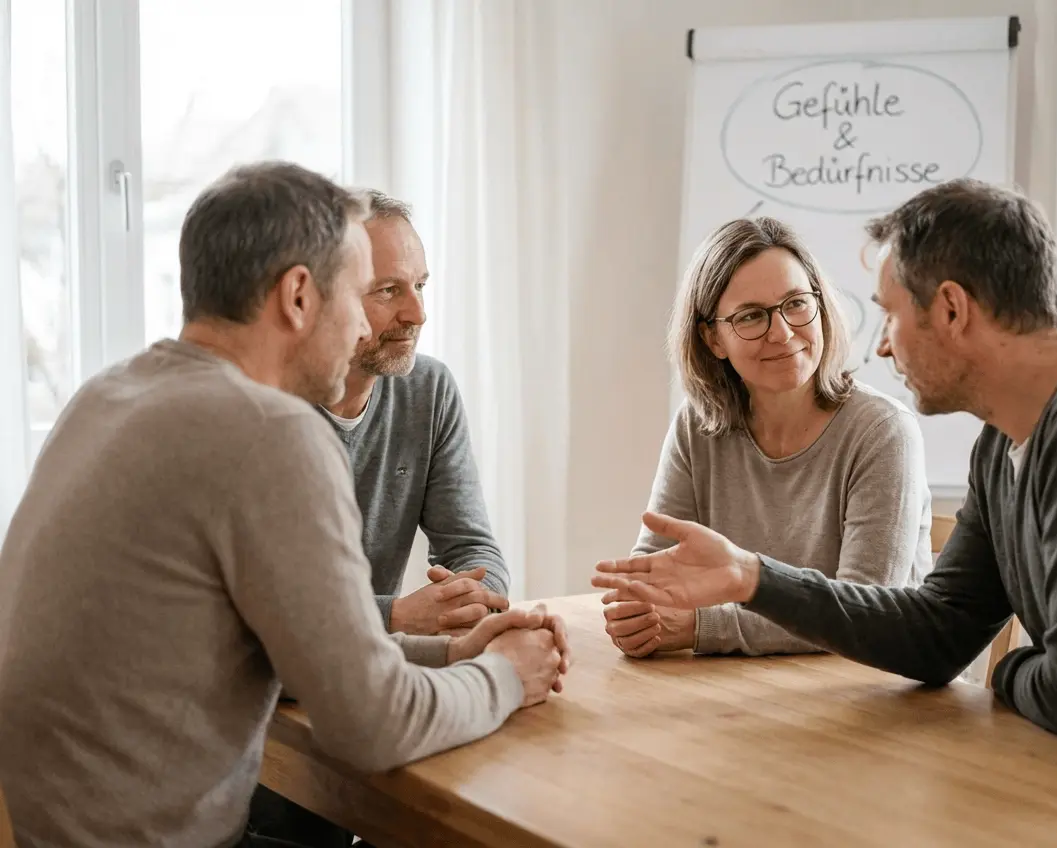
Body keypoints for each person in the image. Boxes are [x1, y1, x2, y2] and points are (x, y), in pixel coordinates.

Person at [0, 161, 569, 848]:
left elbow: (283, 653)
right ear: (299, 295)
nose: (365, 328)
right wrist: (506, 673)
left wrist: (450, 653)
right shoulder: (267, 431)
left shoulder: (109, 395)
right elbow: (373, 728)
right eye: (363, 296)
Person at [592, 178, 1057, 757]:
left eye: (890, 314)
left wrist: (1005, 674)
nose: (881, 345)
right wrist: (751, 577)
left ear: (950, 308)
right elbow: (938, 632)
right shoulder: (1004, 444)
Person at [601, 217, 931, 657]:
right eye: (751, 316)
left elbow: (865, 612)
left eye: (796, 303)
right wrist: (637, 611)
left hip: (877, 695)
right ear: (712, 338)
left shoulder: (882, 431)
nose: (782, 332)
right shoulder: (696, 425)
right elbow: (652, 575)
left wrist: (701, 626)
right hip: (746, 690)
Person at [315, 190, 510, 638]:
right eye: (388, 291)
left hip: (370, 666)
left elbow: (472, 546)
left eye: (420, 286)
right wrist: (396, 617)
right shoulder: (265, 410)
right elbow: (271, 612)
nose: (417, 314)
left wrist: (472, 600)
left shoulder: (428, 389)